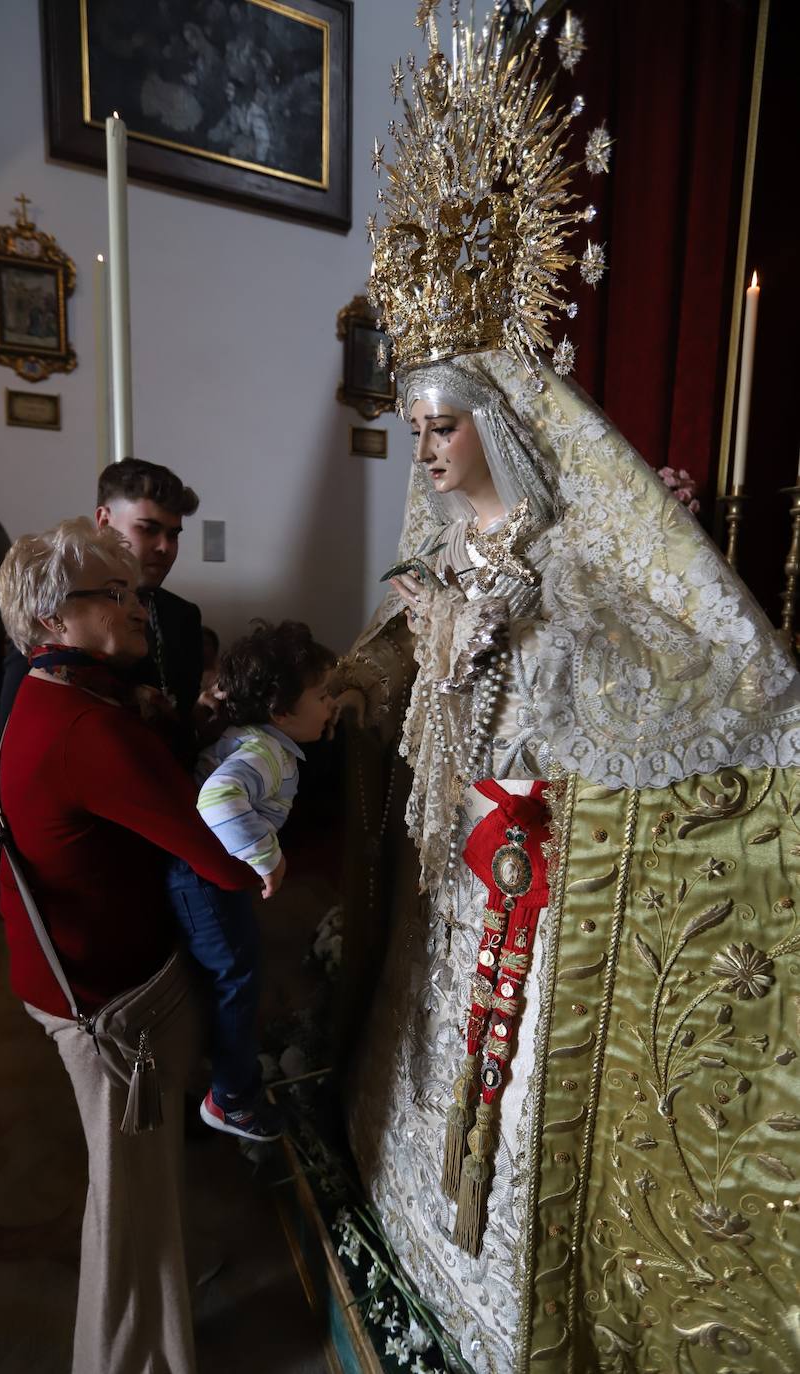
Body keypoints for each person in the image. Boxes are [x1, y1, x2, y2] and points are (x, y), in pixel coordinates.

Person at [335, 7, 800, 1372]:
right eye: (413, 426)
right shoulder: (439, 543)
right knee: (411, 1047)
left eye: (445, 423)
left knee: (502, 1073)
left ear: (506, 425)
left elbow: (626, 676)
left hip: (517, 871)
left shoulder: (557, 563)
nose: (425, 448)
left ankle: (502, 1282)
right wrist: (363, 676)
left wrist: (497, 646)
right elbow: (398, 643)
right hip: (440, 862)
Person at [0, 517, 252, 1374]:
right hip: (108, 1003)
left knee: (139, 1188)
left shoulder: (64, 697)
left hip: (79, 977)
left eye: (135, 590)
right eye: (115, 593)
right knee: (129, 1200)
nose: (139, 604)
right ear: (50, 623)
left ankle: (161, 1316)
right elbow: (222, 860)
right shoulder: (87, 726)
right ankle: (126, 1357)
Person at [167, 620, 336, 1142]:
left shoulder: (256, 736)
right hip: (203, 881)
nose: (332, 703)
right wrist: (268, 858)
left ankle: (221, 1071)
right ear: (281, 711)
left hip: (199, 875)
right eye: (323, 695)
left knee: (234, 969)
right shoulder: (266, 754)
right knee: (239, 973)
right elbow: (218, 798)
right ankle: (231, 1099)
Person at [0, 458, 203, 748]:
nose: (164, 547)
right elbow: (16, 738)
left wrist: (200, 720)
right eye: (148, 529)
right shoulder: (61, 613)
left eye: (173, 534)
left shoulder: (184, 616)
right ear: (105, 521)